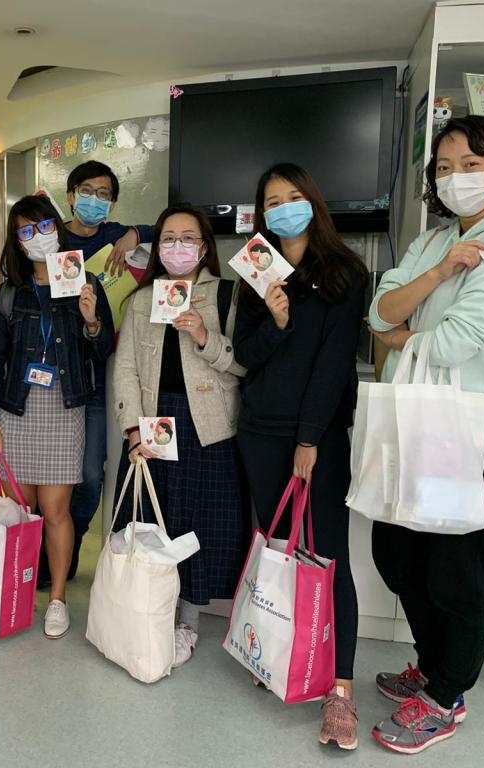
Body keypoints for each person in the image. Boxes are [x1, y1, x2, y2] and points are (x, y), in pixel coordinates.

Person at [367, 115, 484, 754]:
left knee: (455, 569)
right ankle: (431, 664)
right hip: (413, 421)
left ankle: (447, 695)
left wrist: (402, 334)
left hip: (469, 433)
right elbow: (379, 309)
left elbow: (455, 341)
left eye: (471, 164)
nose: (456, 177)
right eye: (444, 168)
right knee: (396, 553)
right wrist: (441, 272)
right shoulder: (434, 240)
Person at [233, 163, 367, 750]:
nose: (283, 207)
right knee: (277, 548)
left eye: (293, 196)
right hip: (260, 430)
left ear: (312, 200)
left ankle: (340, 689)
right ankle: (280, 651)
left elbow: (334, 364)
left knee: (328, 555)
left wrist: (309, 439)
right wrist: (277, 320)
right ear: (261, 213)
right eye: (272, 201)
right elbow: (245, 355)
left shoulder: (344, 272)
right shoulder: (255, 272)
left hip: (318, 436)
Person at [112, 202, 247, 667]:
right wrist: (132, 428)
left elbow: (244, 363)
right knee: (156, 516)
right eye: (169, 238)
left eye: (188, 238)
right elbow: (126, 368)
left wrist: (205, 337)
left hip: (208, 425)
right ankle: (151, 607)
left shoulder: (226, 294)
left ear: (204, 247)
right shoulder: (141, 300)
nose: (178, 246)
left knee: (198, 522)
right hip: (154, 423)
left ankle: (187, 620)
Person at [0, 194, 115, 638]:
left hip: (64, 406)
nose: (37, 236)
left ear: (57, 227)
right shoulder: (8, 294)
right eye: (26, 230)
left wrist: (91, 321)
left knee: (56, 510)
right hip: (15, 408)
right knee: (20, 510)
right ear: (17, 241)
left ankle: (57, 599)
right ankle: (15, 592)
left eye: (44, 226)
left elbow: (103, 351)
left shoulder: (85, 282)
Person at [49, 160, 154, 589]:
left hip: (94, 372)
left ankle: (70, 541)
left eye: (105, 194)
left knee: (91, 475)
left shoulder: (115, 234)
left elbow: (163, 231)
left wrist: (133, 235)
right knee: (48, 477)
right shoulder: (51, 237)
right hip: (50, 375)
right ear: (70, 195)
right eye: (87, 191)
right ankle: (47, 553)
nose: (95, 200)